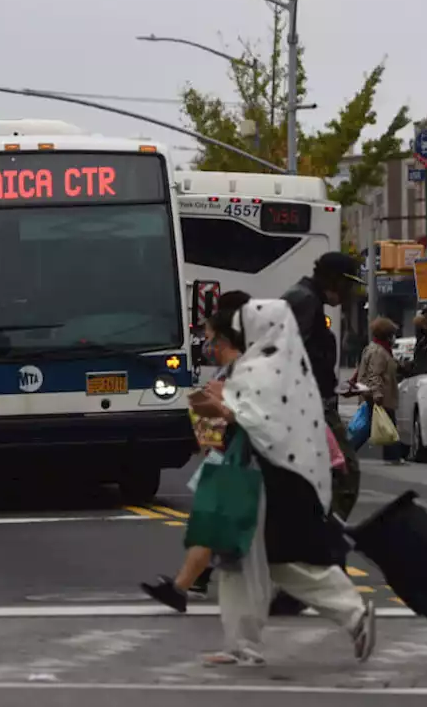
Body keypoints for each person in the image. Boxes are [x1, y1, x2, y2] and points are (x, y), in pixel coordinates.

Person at [188, 296, 376, 666]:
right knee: (273, 561)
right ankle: (350, 615)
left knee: (242, 559)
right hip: (276, 475)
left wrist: (217, 408)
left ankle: (244, 643)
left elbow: (255, 420)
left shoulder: (262, 367)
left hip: (261, 476)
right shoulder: (282, 363)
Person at [141, 290, 251, 610]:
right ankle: (186, 584)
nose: (206, 342)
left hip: (238, 455)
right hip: (225, 453)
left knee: (225, 524)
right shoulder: (233, 364)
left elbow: (239, 411)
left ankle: (190, 584)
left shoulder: (244, 366)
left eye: (210, 335)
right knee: (211, 521)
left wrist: (213, 405)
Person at [282, 252, 364, 520]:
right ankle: (326, 532)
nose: (350, 292)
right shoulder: (305, 301)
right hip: (311, 407)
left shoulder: (306, 298)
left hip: (312, 403)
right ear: (334, 280)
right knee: (345, 473)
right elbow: (291, 355)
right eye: (348, 284)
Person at [358, 317, 404, 464]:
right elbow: (375, 374)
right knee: (385, 424)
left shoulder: (381, 349)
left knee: (378, 424)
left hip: (378, 394)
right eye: (392, 334)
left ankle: (392, 456)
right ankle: (393, 456)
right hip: (379, 395)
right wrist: (377, 394)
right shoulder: (378, 351)